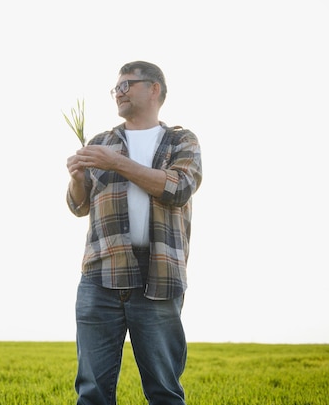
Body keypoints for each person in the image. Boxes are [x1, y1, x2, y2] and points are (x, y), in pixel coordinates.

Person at [66, 61, 202, 405]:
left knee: (164, 391)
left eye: (127, 85)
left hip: (158, 275)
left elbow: (179, 187)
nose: (119, 93)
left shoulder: (180, 141)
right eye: (116, 88)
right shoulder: (102, 142)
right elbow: (79, 206)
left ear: (154, 88)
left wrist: (118, 164)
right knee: (92, 391)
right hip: (101, 275)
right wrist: (77, 178)